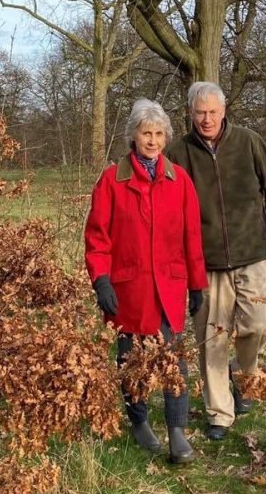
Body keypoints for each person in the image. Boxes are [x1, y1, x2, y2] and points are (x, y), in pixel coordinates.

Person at [166, 81, 266, 441]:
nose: (206, 119)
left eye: (212, 112)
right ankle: (220, 413)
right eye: (199, 112)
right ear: (190, 113)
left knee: (258, 324)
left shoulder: (249, 142)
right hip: (205, 264)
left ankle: (243, 372)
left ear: (224, 112)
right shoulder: (178, 153)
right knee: (212, 340)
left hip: (253, 254)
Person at [84, 98, 208, 464]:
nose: (152, 141)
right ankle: (138, 421)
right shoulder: (112, 180)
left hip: (168, 286)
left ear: (166, 137)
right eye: (145, 133)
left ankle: (177, 432)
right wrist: (101, 281)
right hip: (128, 288)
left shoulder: (178, 179)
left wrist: (197, 285)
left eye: (158, 134)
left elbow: (191, 238)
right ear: (133, 136)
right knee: (131, 359)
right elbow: (97, 237)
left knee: (174, 360)